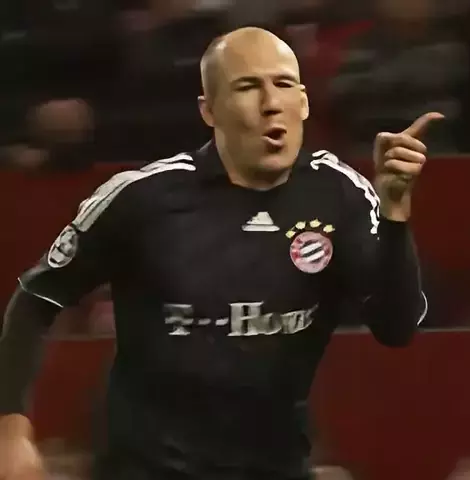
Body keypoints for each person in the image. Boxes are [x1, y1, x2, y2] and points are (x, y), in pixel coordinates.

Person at [0, 26, 441, 480]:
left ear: (304, 102)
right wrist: (11, 432)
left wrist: (395, 212)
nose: (271, 103)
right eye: (248, 87)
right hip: (149, 469)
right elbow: (35, 300)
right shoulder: (142, 197)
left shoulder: (340, 193)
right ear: (209, 110)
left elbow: (397, 327)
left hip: (276, 467)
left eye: (284, 84)